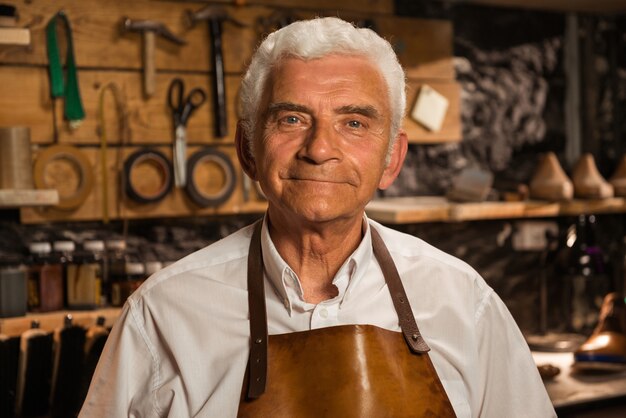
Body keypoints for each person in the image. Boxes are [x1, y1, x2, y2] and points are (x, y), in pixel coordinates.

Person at [80, 17, 556, 417]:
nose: (320, 149)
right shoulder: (162, 314)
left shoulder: (463, 302)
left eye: (354, 123)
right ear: (248, 149)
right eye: (292, 119)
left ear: (392, 158)